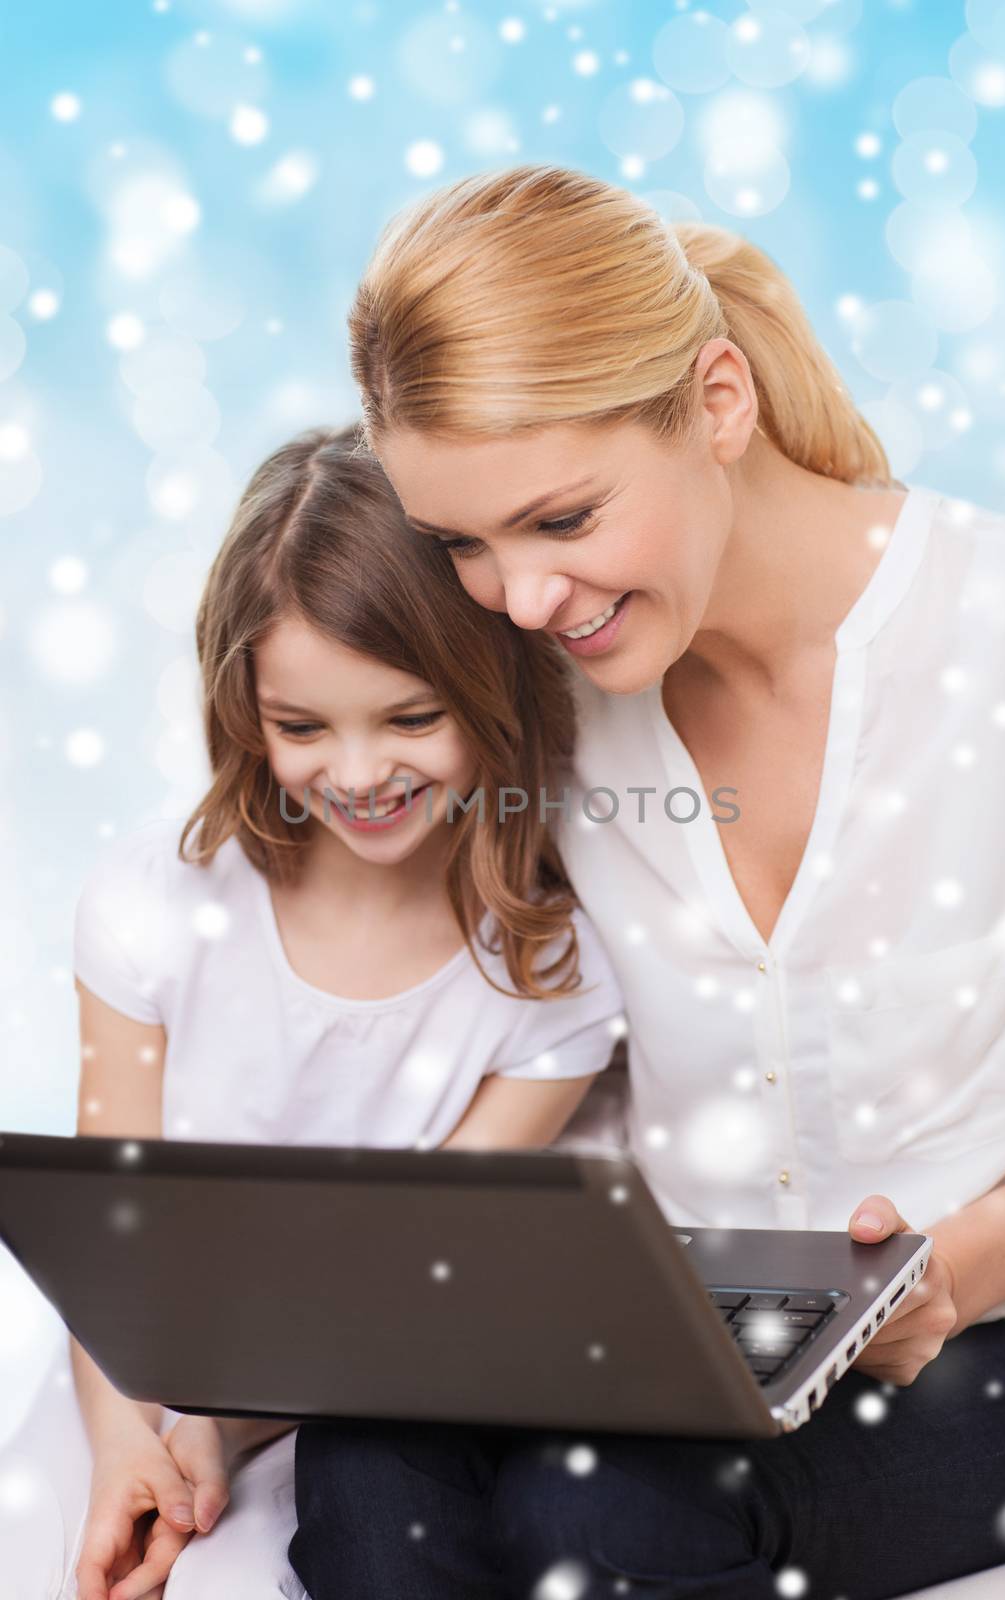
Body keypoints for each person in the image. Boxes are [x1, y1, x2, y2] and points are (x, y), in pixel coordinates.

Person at [287, 166, 1005, 1599]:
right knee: (366, 1472)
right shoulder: (542, 700)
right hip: (661, 1318)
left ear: (717, 403)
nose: (520, 599)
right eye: (462, 545)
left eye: (560, 520)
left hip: (970, 1332)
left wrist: (958, 1268)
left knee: (600, 1517)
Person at [0, 423, 627, 1600]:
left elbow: (405, 1296)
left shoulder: (551, 975)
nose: (356, 772)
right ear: (245, 711)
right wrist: (136, 1435)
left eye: (408, 718)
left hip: (350, 1399)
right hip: (128, 1386)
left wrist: (225, 1436)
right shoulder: (153, 904)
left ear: (493, 695)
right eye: (302, 728)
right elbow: (105, 1247)